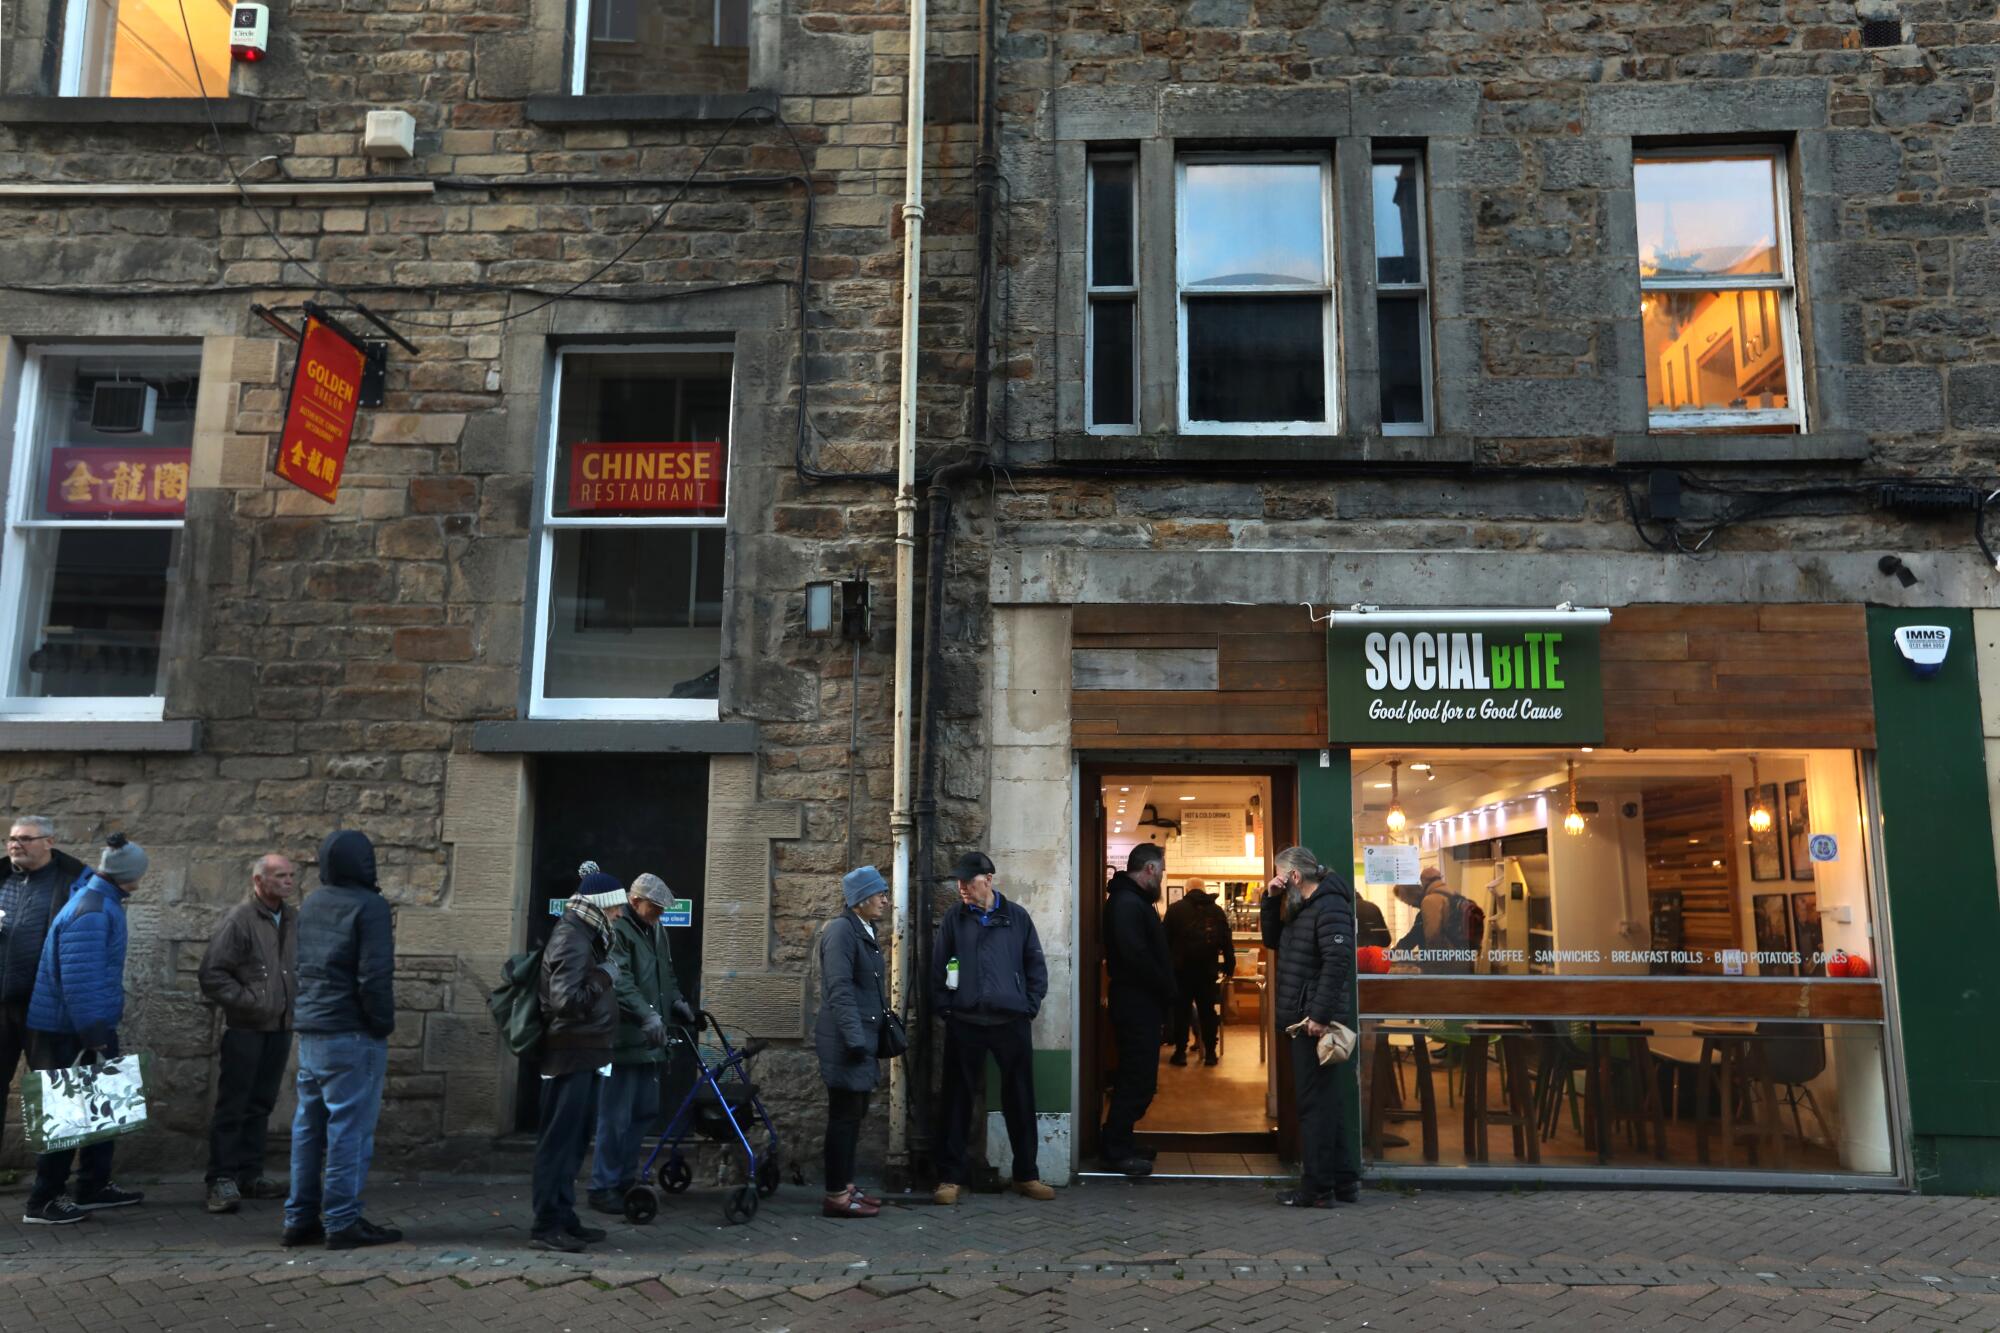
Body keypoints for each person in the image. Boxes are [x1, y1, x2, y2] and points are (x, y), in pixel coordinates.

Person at [20, 834, 148, 1225]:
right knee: (64, 1117)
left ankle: (92, 1186)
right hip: (67, 1030)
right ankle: (43, 1200)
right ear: (130, 875)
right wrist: (94, 1034)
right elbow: (80, 979)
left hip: (84, 1025)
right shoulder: (92, 910)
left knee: (102, 1108)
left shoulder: (102, 901)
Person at [286, 830, 401, 1250]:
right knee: (349, 1131)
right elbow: (375, 976)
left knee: (308, 1129)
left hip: (313, 1028)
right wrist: (381, 1023)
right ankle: (341, 1220)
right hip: (351, 1032)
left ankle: (299, 1217)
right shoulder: (369, 907)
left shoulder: (313, 903)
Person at [930, 851, 1055, 1206]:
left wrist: (1029, 1005)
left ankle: (1026, 1175)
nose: (962, 888)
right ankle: (950, 1178)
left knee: (1020, 1098)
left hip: (1010, 1021)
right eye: (959, 882)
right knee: (956, 1101)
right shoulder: (956, 918)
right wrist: (946, 1008)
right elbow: (939, 965)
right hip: (965, 1021)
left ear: (988, 879)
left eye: (968, 882)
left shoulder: (1016, 917)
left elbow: (1035, 964)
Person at [587, 872, 696, 1214]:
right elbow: (621, 982)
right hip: (624, 1040)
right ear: (635, 902)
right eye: (655, 908)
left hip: (651, 1041)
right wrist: (646, 1015)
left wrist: (677, 1001)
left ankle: (625, 1177)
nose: (660, 914)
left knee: (644, 1112)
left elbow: (666, 974)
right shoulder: (619, 930)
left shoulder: (657, 930)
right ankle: (602, 1185)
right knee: (615, 1116)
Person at [198, 853, 299, 1214]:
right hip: (246, 1028)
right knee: (234, 1105)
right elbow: (212, 974)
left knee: (261, 1104)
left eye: (291, 875)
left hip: (281, 1027)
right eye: (280, 876)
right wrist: (250, 1003)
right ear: (259, 881)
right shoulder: (240, 920)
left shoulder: (291, 918)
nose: (289, 882)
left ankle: (250, 1173)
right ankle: (221, 1178)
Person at [1261, 845, 1359, 1208]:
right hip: (1302, 1016)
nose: (1277, 879)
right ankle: (1344, 1181)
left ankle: (1317, 1188)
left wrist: (1318, 1016)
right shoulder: (1301, 905)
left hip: (1311, 1020)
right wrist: (1270, 900)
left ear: (1295, 876)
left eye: (1280, 874)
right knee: (1325, 1101)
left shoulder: (1329, 905)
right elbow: (1273, 941)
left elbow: (1337, 963)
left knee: (1313, 1104)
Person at [531, 873, 621, 1251]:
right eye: (615, 906)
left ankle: (564, 1216)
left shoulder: (585, 935)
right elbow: (565, 1000)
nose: (618, 914)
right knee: (560, 1141)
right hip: (570, 1053)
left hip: (584, 1052)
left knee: (575, 1140)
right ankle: (547, 1224)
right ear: (600, 905)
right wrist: (604, 975)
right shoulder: (572, 936)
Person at [0, 816, 86, 1161]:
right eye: (11, 839)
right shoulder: (2, 878)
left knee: (56, 1092)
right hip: (0, 1007)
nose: (15, 845)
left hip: (45, 1009)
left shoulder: (72, 883)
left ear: (49, 842)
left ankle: (51, 1183)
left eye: (25, 839)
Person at [815, 866, 891, 1218]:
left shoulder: (863, 930)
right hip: (848, 1042)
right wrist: (856, 1040)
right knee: (843, 1117)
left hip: (861, 1039)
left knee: (854, 1114)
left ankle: (845, 1185)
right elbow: (840, 990)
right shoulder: (841, 933)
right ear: (860, 899)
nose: (885, 901)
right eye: (879, 894)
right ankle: (835, 1195)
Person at [1099, 842, 1175, 1176]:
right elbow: (1137, 955)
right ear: (1149, 869)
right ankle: (1115, 1149)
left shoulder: (1131, 901)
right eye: (1161, 869)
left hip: (1140, 999)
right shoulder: (1128, 904)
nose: (1162, 874)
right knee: (1136, 1078)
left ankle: (1123, 1141)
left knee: (1138, 1076)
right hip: (1136, 1001)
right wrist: (1164, 983)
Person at [1163, 877, 1234, 1067]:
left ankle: (1180, 1053)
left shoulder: (1175, 909)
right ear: (1203, 890)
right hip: (1207, 971)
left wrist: (1166, 968)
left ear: (1186, 890)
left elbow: (1164, 942)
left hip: (1181, 972)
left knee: (1182, 1012)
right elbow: (1227, 941)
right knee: (1207, 1012)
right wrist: (1229, 966)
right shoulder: (1216, 910)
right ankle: (1210, 1053)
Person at [1393, 865, 1483, 974]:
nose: (1408, 904)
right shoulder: (1453, 895)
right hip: (1465, 961)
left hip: (1447, 966)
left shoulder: (1430, 901)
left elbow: (1432, 937)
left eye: (1405, 900)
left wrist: (1429, 966)